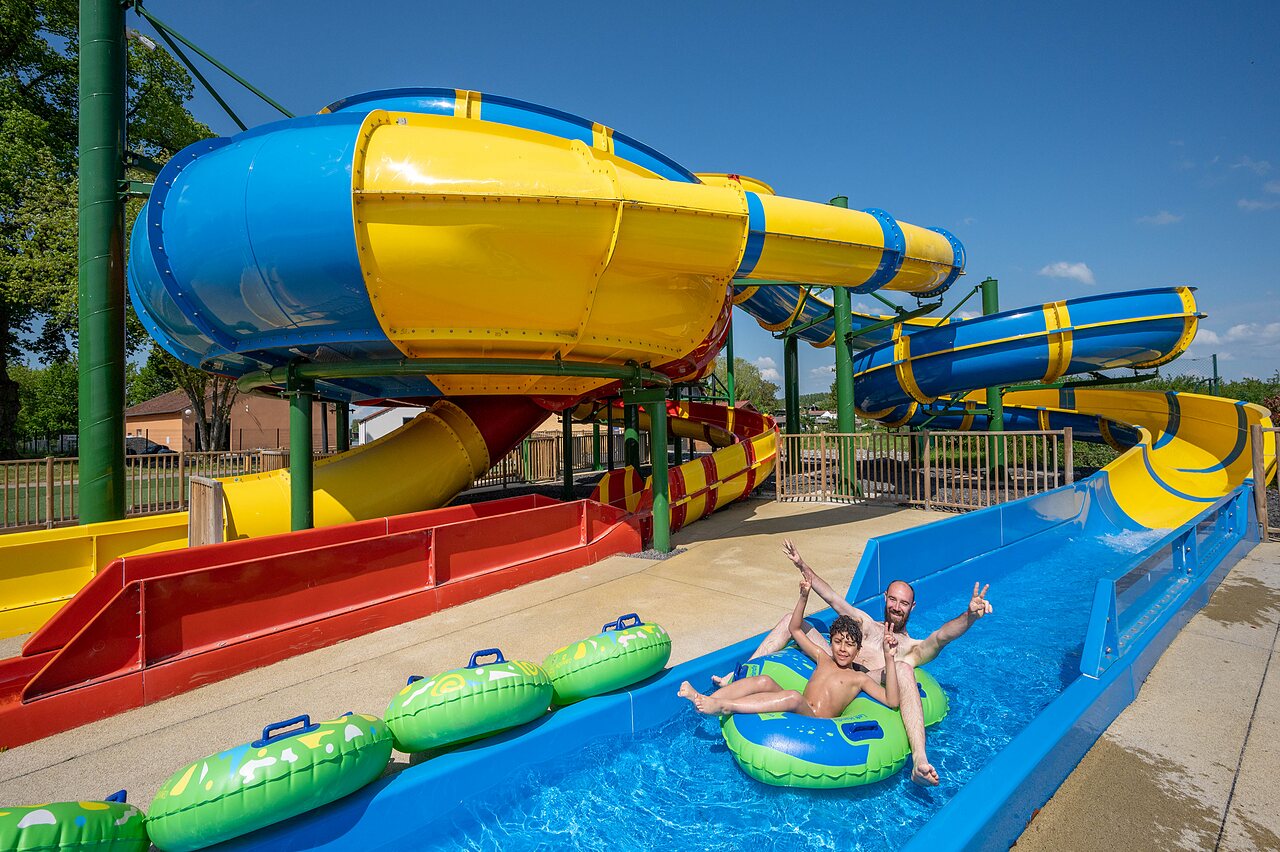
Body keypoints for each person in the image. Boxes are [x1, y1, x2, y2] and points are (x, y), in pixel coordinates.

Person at [713, 539, 993, 786]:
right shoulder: (866, 625)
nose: (897, 607)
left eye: (904, 603)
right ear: (885, 599)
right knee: (790, 621)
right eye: (893, 600)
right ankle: (734, 677)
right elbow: (832, 597)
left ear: (912, 607)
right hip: (835, 663)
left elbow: (942, 636)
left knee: (904, 669)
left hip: (868, 678)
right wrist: (802, 566)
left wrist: (969, 616)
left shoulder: (912, 647)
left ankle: (919, 759)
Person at [679, 578, 899, 718]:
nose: (843, 649)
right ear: (830, 642)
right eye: (838, 642)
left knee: (793, 697)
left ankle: (726, 706)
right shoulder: (823, 658)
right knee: (764, 680)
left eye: (850, 645)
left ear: (858, 651)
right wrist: (803, 597)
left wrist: (889, 657)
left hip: (815, 717)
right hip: (799, 706)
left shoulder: (858, 679)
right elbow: (794, 628)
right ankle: (707, 697)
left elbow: (891, 700)